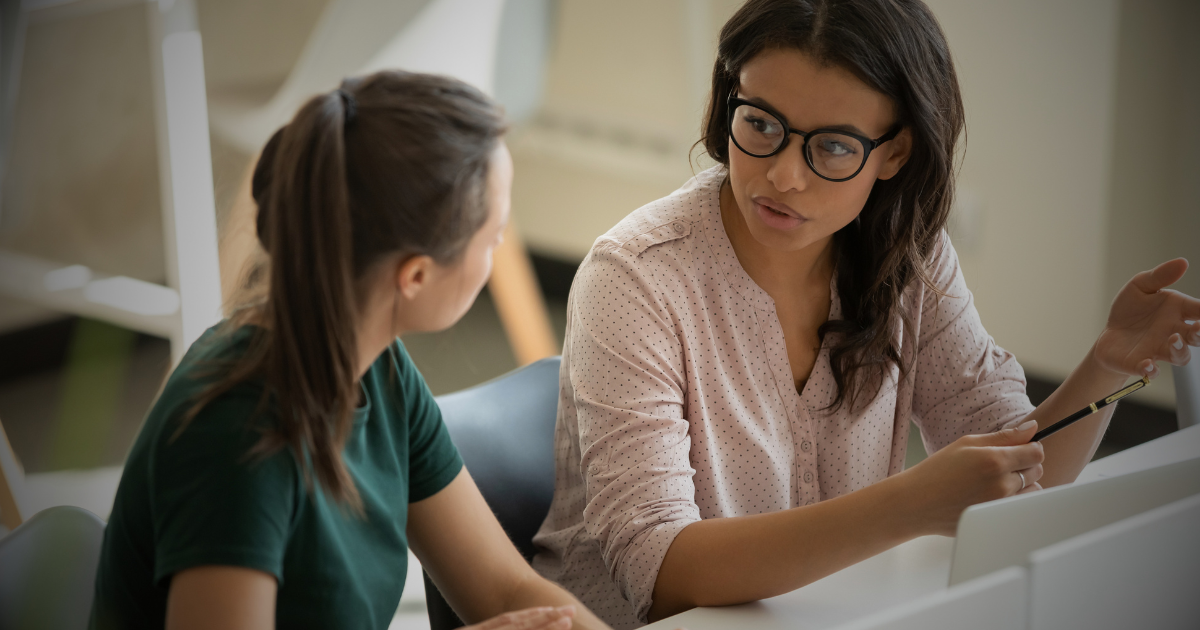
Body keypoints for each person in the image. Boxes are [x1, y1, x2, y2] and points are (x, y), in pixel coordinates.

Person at [530, 1, 1200, 628]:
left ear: (896, 153)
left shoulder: (908, 256)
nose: (784, 175)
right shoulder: (636, 277)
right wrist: (907, 506)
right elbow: (661, 570)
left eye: (832, 147)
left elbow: (1017, 476)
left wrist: (1108, 366)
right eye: (760, 123)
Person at [90, 71, 609, 630]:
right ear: (414, 275)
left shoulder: (378, 370)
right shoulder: (234, 439)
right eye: (494, 233)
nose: (499, 247)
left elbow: (510, 590)